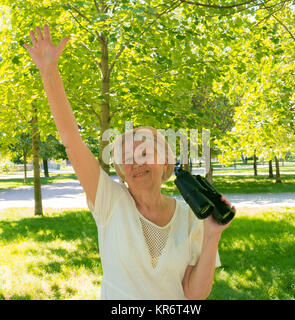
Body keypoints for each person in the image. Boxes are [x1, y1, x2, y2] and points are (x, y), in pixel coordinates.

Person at [23, 25, 236, 300]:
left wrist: (212, 235)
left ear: (166, 161)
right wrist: (48, 71)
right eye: (126, 159)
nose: (136, 163)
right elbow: (71, 140)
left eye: (145, 154)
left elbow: (194, 296)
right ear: (121, 172)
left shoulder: (192, 217)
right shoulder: (109, 202)